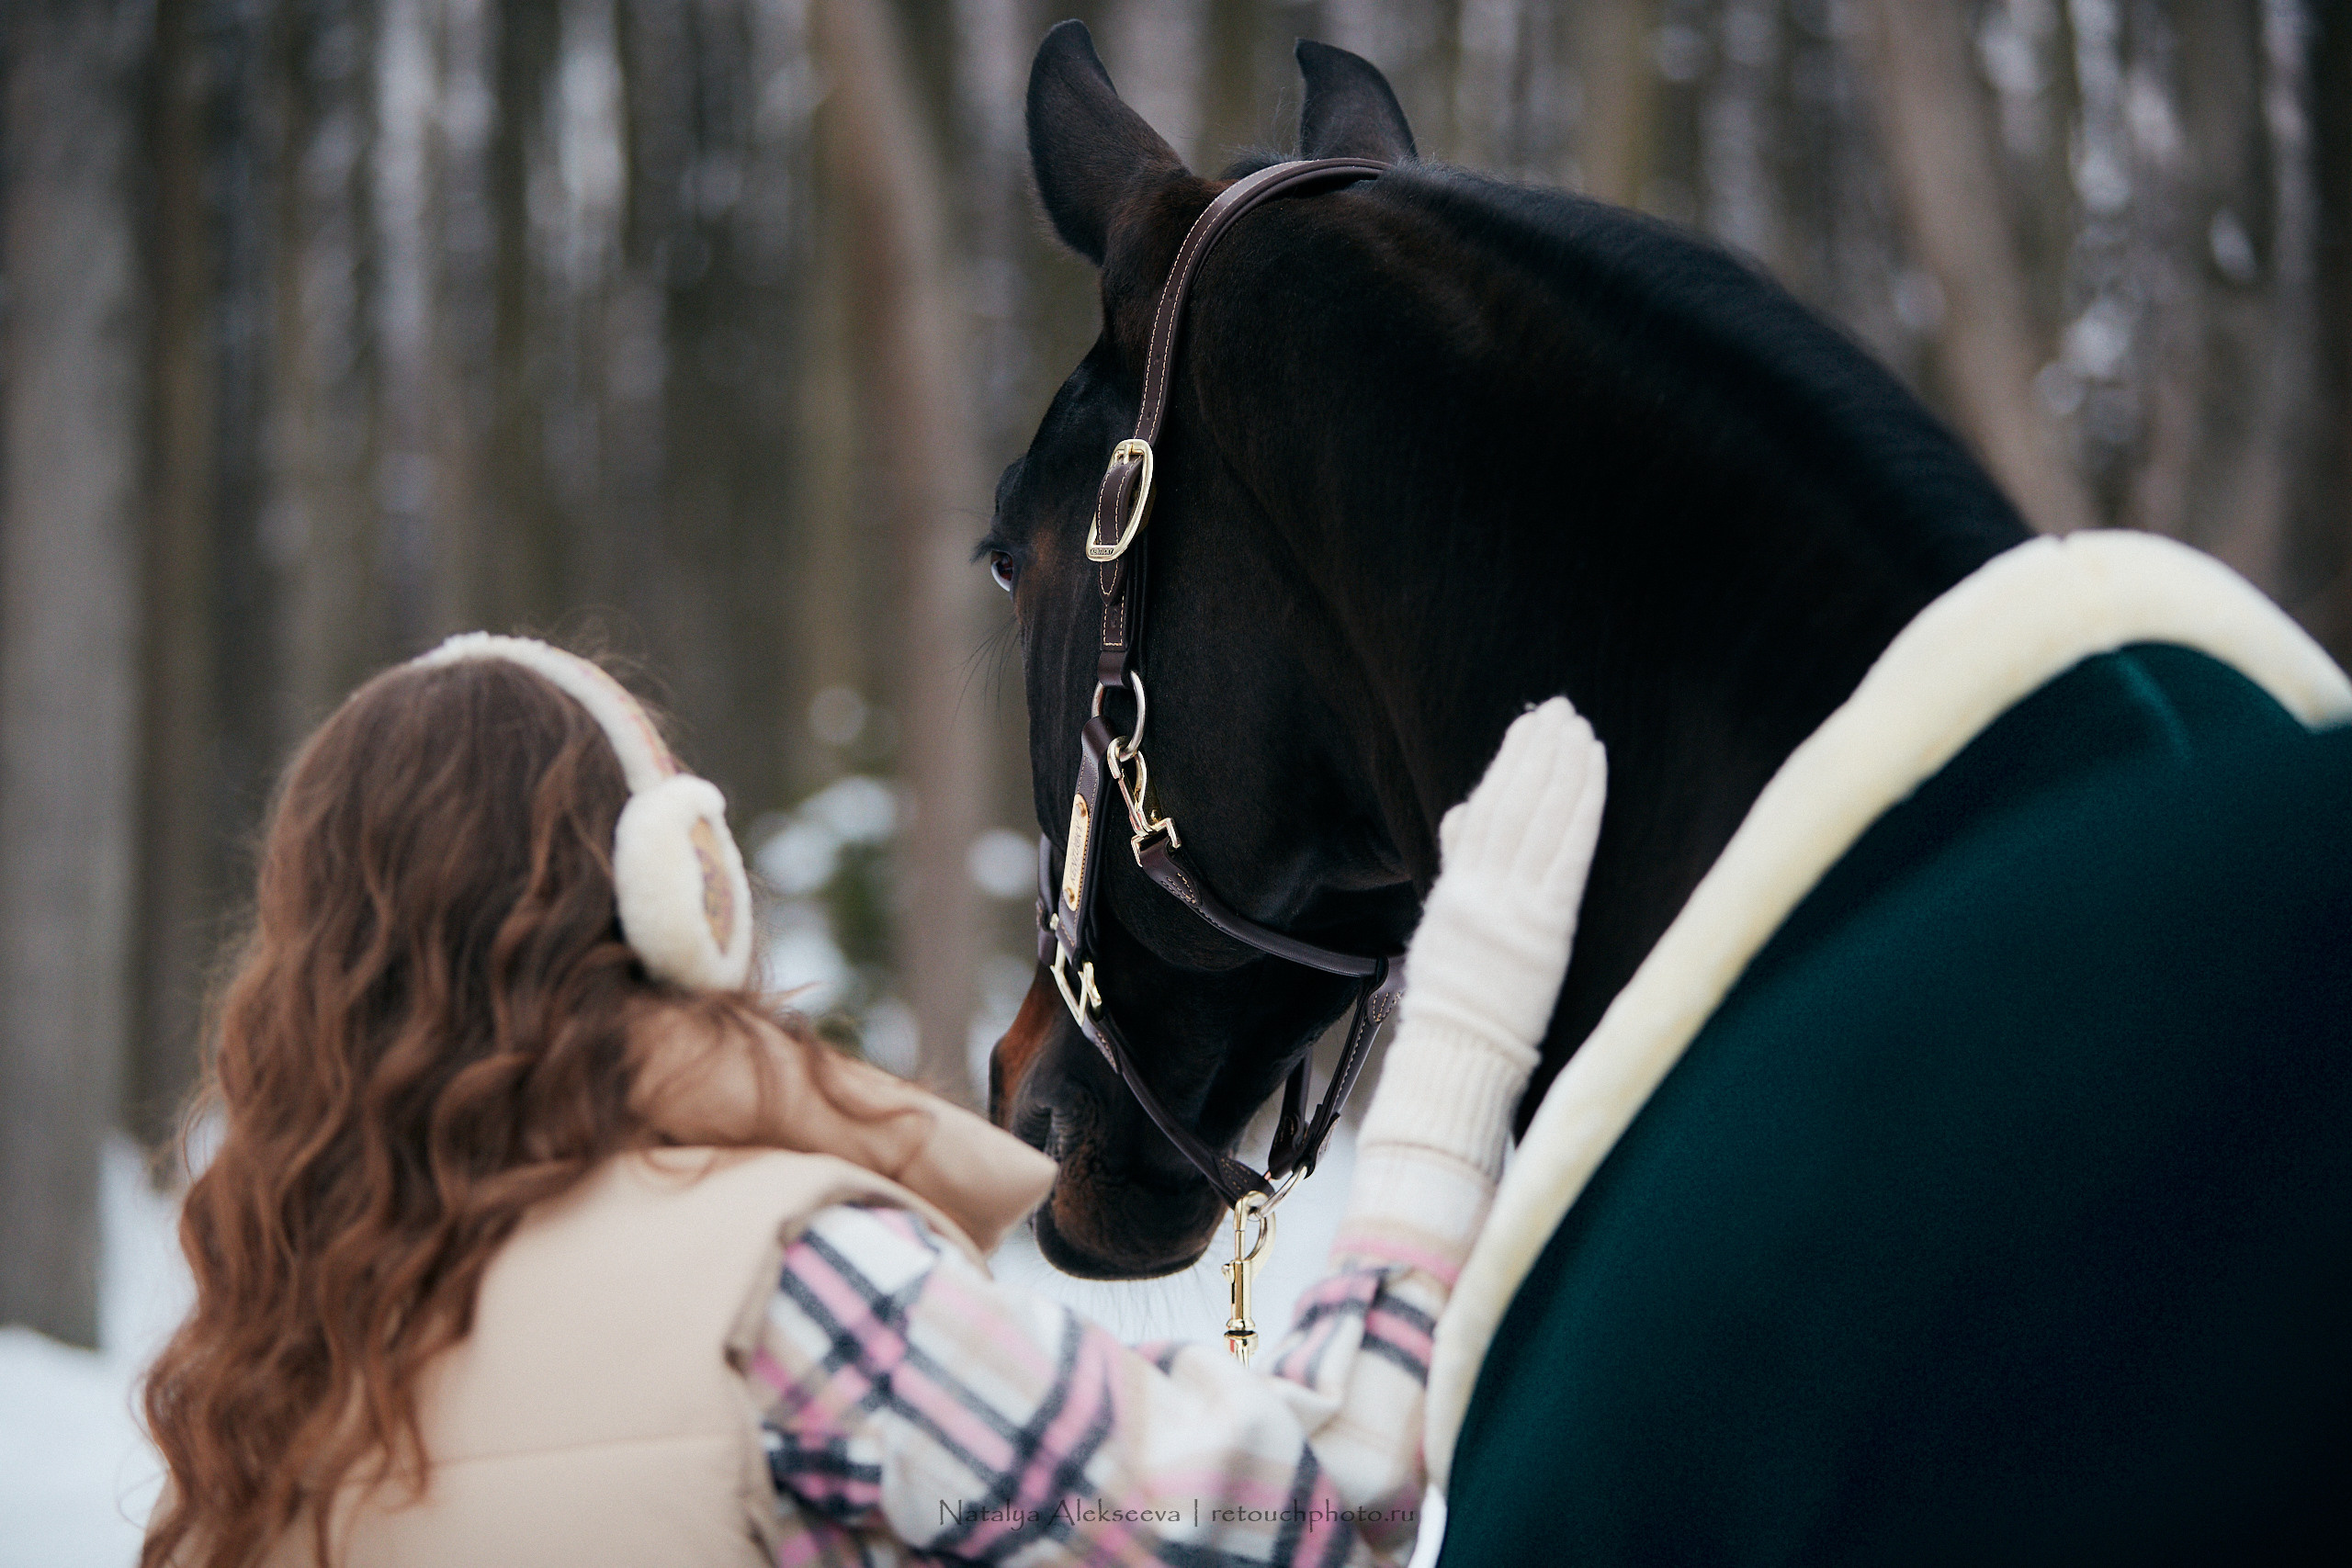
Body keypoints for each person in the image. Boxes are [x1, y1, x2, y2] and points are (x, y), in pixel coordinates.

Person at [140, 634, 1606, 1568]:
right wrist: (1456, 1046)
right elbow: (1314, 1520)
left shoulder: (266, 1396)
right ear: (674, 899)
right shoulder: (794, 1299)